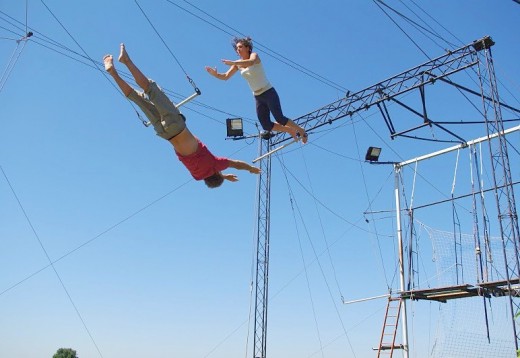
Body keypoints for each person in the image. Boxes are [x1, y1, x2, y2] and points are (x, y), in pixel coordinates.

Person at [103, 43, 260, 189]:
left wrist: (250, 169)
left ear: (217, 172)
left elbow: (236, 164)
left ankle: (127, 61)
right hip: (164, 133)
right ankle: (113, 73)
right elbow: (211, 174)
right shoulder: (197, 176)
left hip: (177, 125)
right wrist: (223, 177)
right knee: (136, 98)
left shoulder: (215, 164)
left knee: (150, 89)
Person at [205, 37, 308, 143]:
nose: (238, 50)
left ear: (248, 48)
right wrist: (215, 74)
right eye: (236, 48)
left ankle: (301, 130)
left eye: (240, 47)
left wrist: (232, 62)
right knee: (266, 125)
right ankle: (289, 130)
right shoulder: (238, 64)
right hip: (258, 96)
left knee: (280, 118)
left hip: (269, 92)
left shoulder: (254, 56)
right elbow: (226, 76)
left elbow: (251, 62)